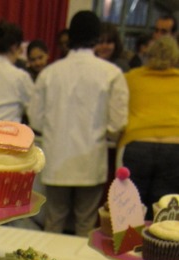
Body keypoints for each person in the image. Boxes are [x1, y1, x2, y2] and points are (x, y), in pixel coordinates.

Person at [28, 10, 128, 237]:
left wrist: (56, 131)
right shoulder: (111, 73)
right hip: (90, 160)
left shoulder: (49, 73)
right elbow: (117, 123)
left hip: (57, 160)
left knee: (53, 222)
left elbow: (35, 118)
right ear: (97, 37)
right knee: (85, 224)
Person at [119, 36, 179, 220]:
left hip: (138, 145)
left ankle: (128, 248)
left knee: (131, 211)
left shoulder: (131, 77)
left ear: (148, 54)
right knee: (164, 212)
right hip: (174, 146)